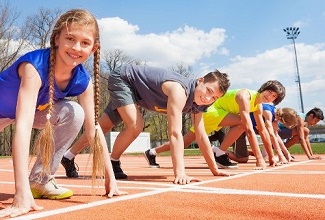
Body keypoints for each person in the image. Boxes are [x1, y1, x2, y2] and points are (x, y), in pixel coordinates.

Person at [0, 9, 126, 218]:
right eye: (70, 39)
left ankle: (40, 180)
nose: (76, 48)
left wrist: (110, 178)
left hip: (35, 113)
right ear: (57, 38)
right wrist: (20, 194)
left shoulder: (83, 81)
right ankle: (26, 188)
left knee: (74, 112)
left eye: (85, 43)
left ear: (94, 48)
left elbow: (93, 129)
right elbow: (22, 125)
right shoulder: (34, 67)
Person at [61, 65, 231, 184]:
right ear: (200, 80)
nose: (208, 98)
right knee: (135, 125)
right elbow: (175, 133)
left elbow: (200, 135)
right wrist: (180, 172)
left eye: (214, 98)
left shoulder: (201, 104)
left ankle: (67, 156)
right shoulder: (179, 91)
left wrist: (214, 169)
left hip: (137, 95)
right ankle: (113, 161)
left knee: (102, 126)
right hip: (124, 79)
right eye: (208, 91)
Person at [145, 80, 286, 170]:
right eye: (269, 91)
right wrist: (260, 160)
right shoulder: (245, 96)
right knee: (243, 123)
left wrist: (272, 157)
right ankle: (219, 152)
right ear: (264, 88)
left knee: (186, 140)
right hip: (211, 110)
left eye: (274, 96)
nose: (270, 96)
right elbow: (249, 129)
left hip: (220, 113)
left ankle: (152, 152)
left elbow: (263, 131)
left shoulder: (258, 106)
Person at [227, 104, 298, 164]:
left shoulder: (274, 115)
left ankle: (219, 152)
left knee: (243, 159)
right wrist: (281, 156)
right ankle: (218, 152)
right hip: (238, 127)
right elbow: (271, 135)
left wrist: (287, 154)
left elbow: (276, 136)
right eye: (282, 122)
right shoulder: (268, 112)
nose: (281, 124)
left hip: (247, 128)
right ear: (281, 118)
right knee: (242, 159)